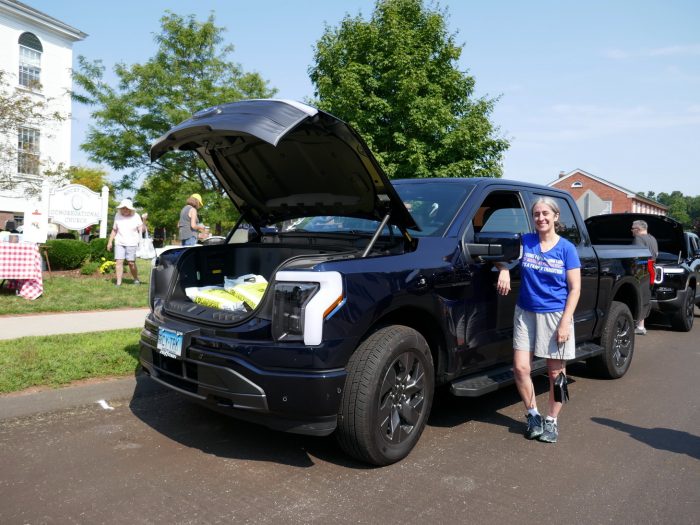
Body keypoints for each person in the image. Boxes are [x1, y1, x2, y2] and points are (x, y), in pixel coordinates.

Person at [496, 197, 581, 443]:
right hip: (525, 313)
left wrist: (565, 322)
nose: (541, 218)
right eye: (536, 214)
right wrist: (503, 268)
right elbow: (499, 254)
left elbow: (574, 289)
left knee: (557, 374)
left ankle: (552, 421)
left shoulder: (567, 249)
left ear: (556, 216)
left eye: (545, 213)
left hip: (555, 315)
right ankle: (533, 415)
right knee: (521, 368)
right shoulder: (525, 242)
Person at [106, 199, 143, 286]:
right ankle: (119, 282)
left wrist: (144, 221)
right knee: (119, 262)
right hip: (119, 242)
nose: (125, 210)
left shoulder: (136, 216)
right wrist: (110, 242)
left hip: (132, 242)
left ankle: (136, 278)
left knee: (131, 263)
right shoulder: (117, 215)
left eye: (126, 208)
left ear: (130, 209)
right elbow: (114, 230)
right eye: (123, 208)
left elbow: (142, 230)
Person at [631, 219, 658, 335]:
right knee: (645, 296)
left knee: (639, 297)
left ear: (638, 229)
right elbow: (656, 254)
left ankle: (640, 327)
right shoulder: (652, 238)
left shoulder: (638, 239)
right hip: (652, 269)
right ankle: (641, 326)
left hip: (641, 270)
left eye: (632, 228)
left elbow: (636, 256)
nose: (631, 230)